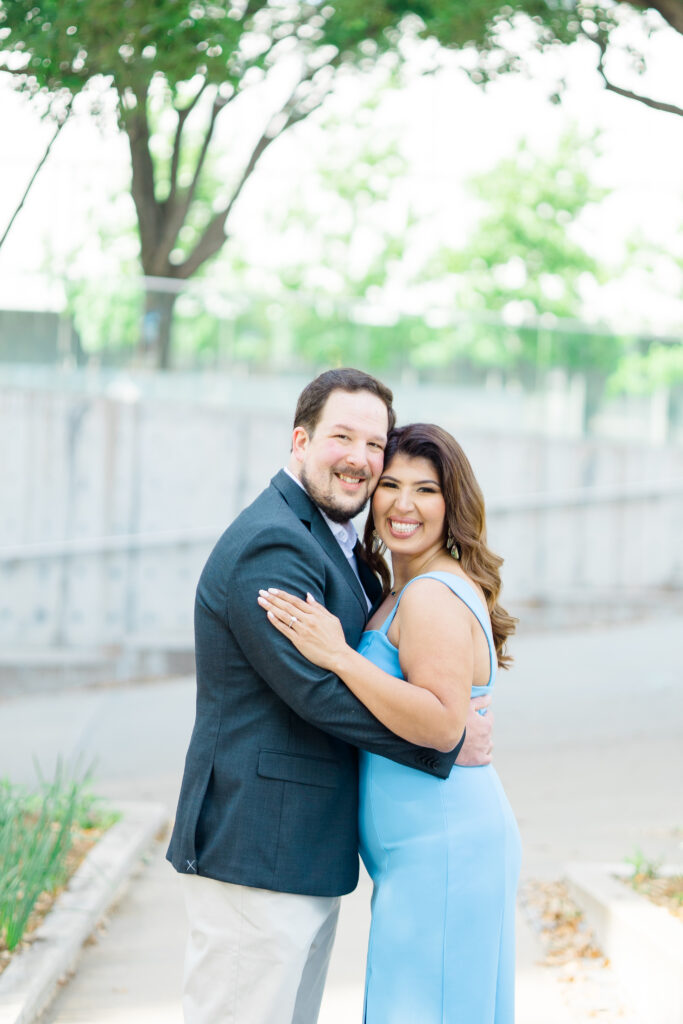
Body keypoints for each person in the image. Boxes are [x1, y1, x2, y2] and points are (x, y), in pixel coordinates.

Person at [167, 370, 493, 1024]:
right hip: (256, 847)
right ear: (300, 439)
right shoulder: (274, 540)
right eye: (341, 436)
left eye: (373, 444)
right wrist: (441, 738)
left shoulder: (336, 542)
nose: (360, 459)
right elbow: (315, 690)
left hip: (302, 851)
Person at [258, 421, 521, 1024]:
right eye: (391, 485)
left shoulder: (431, 594)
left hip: (446, 850)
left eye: (426, 490)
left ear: (452, 505)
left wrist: (339, 655)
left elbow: (442, 726)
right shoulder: (401, 589)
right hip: (420, 854)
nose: (404, 505)